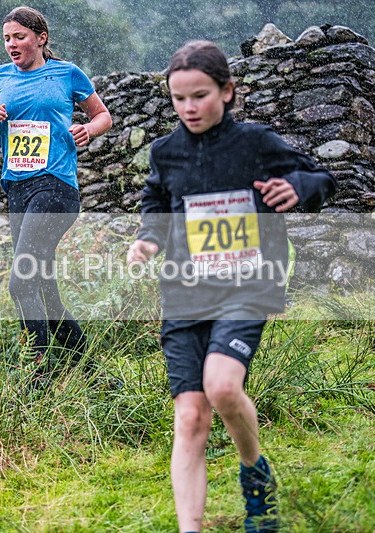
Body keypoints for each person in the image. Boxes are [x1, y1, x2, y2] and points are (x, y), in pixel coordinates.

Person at [127, 41, 336, 532]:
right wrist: (148, 239)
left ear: (227, 90)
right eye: (179, 99)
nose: (189, 107)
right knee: (190, 417)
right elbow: (156, 202)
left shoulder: (256, 143)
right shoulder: (165, 151)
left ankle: (254, 473)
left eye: (200, 95)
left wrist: (298, 188)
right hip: (184, 292)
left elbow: (320, 178)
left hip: (247, 285)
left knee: (222, 386)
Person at [0, 6, 112, 381]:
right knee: (45, 294)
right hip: (17, 191)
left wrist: (89, 130)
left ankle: (40, 376)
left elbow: (103, 116)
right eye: (6, 38)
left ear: (40, 38)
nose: (11, 44)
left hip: (55, 187)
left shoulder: (67, 73)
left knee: (21, 283)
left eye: (19, 37)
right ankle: (96, 377)